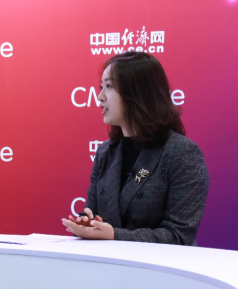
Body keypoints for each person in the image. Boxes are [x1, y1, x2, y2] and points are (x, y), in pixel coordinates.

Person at [62, 52, 209, 245]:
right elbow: (93, 212)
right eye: (101, 87)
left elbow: (179, 235)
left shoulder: (181, 153)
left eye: (109, 87)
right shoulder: (106, 152)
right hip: (108, 263)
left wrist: (115, 235)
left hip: (160, 264)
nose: (100, 97)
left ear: (137, 93)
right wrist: (88, 225)